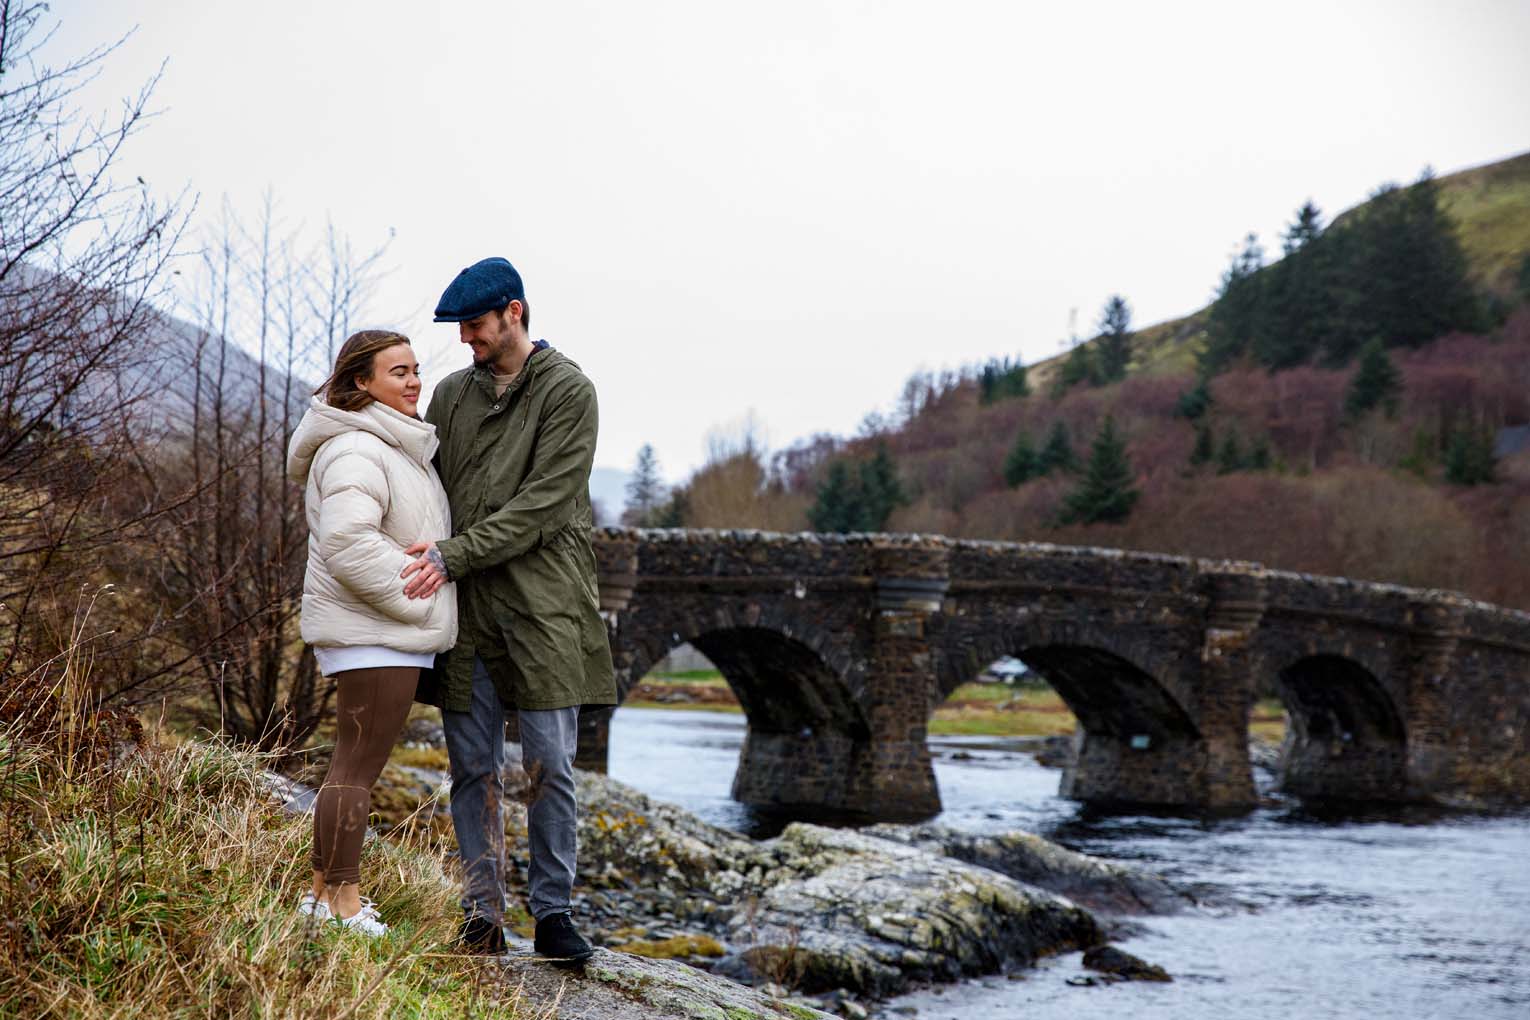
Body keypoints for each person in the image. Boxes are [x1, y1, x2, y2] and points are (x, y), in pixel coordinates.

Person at [401, 257, 615, 960]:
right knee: (472, 767)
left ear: (514, 313)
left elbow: (544, 507)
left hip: (544, 609)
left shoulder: (568, 392)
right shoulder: (453, 397)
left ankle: (554, 917)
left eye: (476, 326)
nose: (467, 340)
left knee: (550, 765)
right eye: (463, 329)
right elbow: (423, 484)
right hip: (468, 615)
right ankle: (481, 916)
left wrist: (453, 556)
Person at [286, 330, 457, 937]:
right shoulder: (358, 448)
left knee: (348, 766)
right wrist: (414, 598)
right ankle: (346, 904)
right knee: (356, 771)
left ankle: (319, 897)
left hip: (376, 630)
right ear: (362, 383)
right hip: (375, 632)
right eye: (398, 372)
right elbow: (347, 542)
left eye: (416, 370)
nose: (414, 382)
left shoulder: (386, 446)